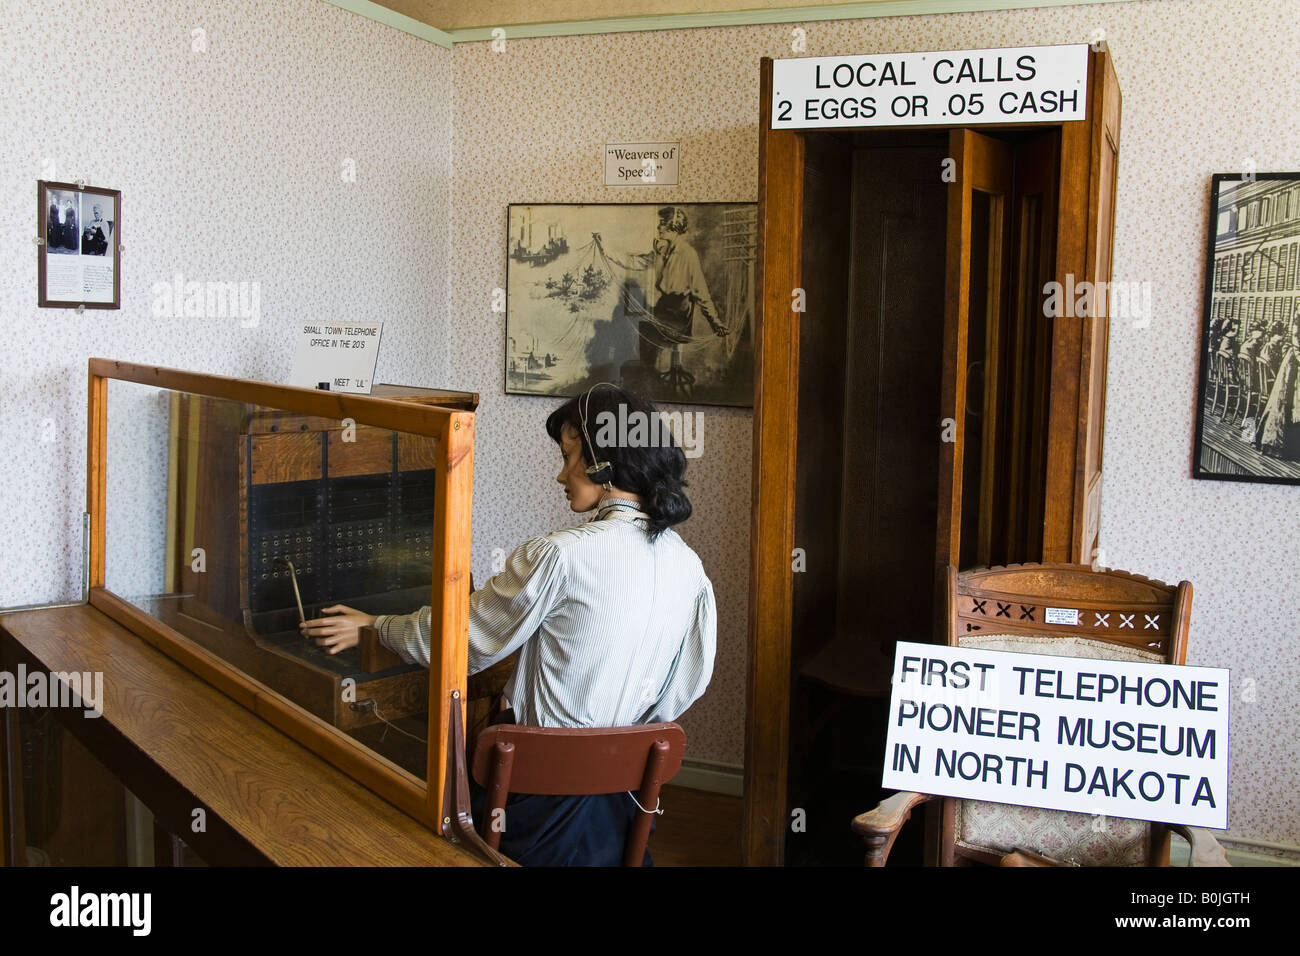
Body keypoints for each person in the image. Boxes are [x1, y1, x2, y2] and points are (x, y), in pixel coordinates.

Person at [299, 384, 717, 865]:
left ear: (603, 461)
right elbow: (688, 685)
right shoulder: (690, 568)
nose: (561, 475)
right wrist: (619, 743)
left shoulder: (559, 555)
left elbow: (464, 641)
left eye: (568, 456)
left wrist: (376, 628)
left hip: (538, 805)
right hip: (625, 800)